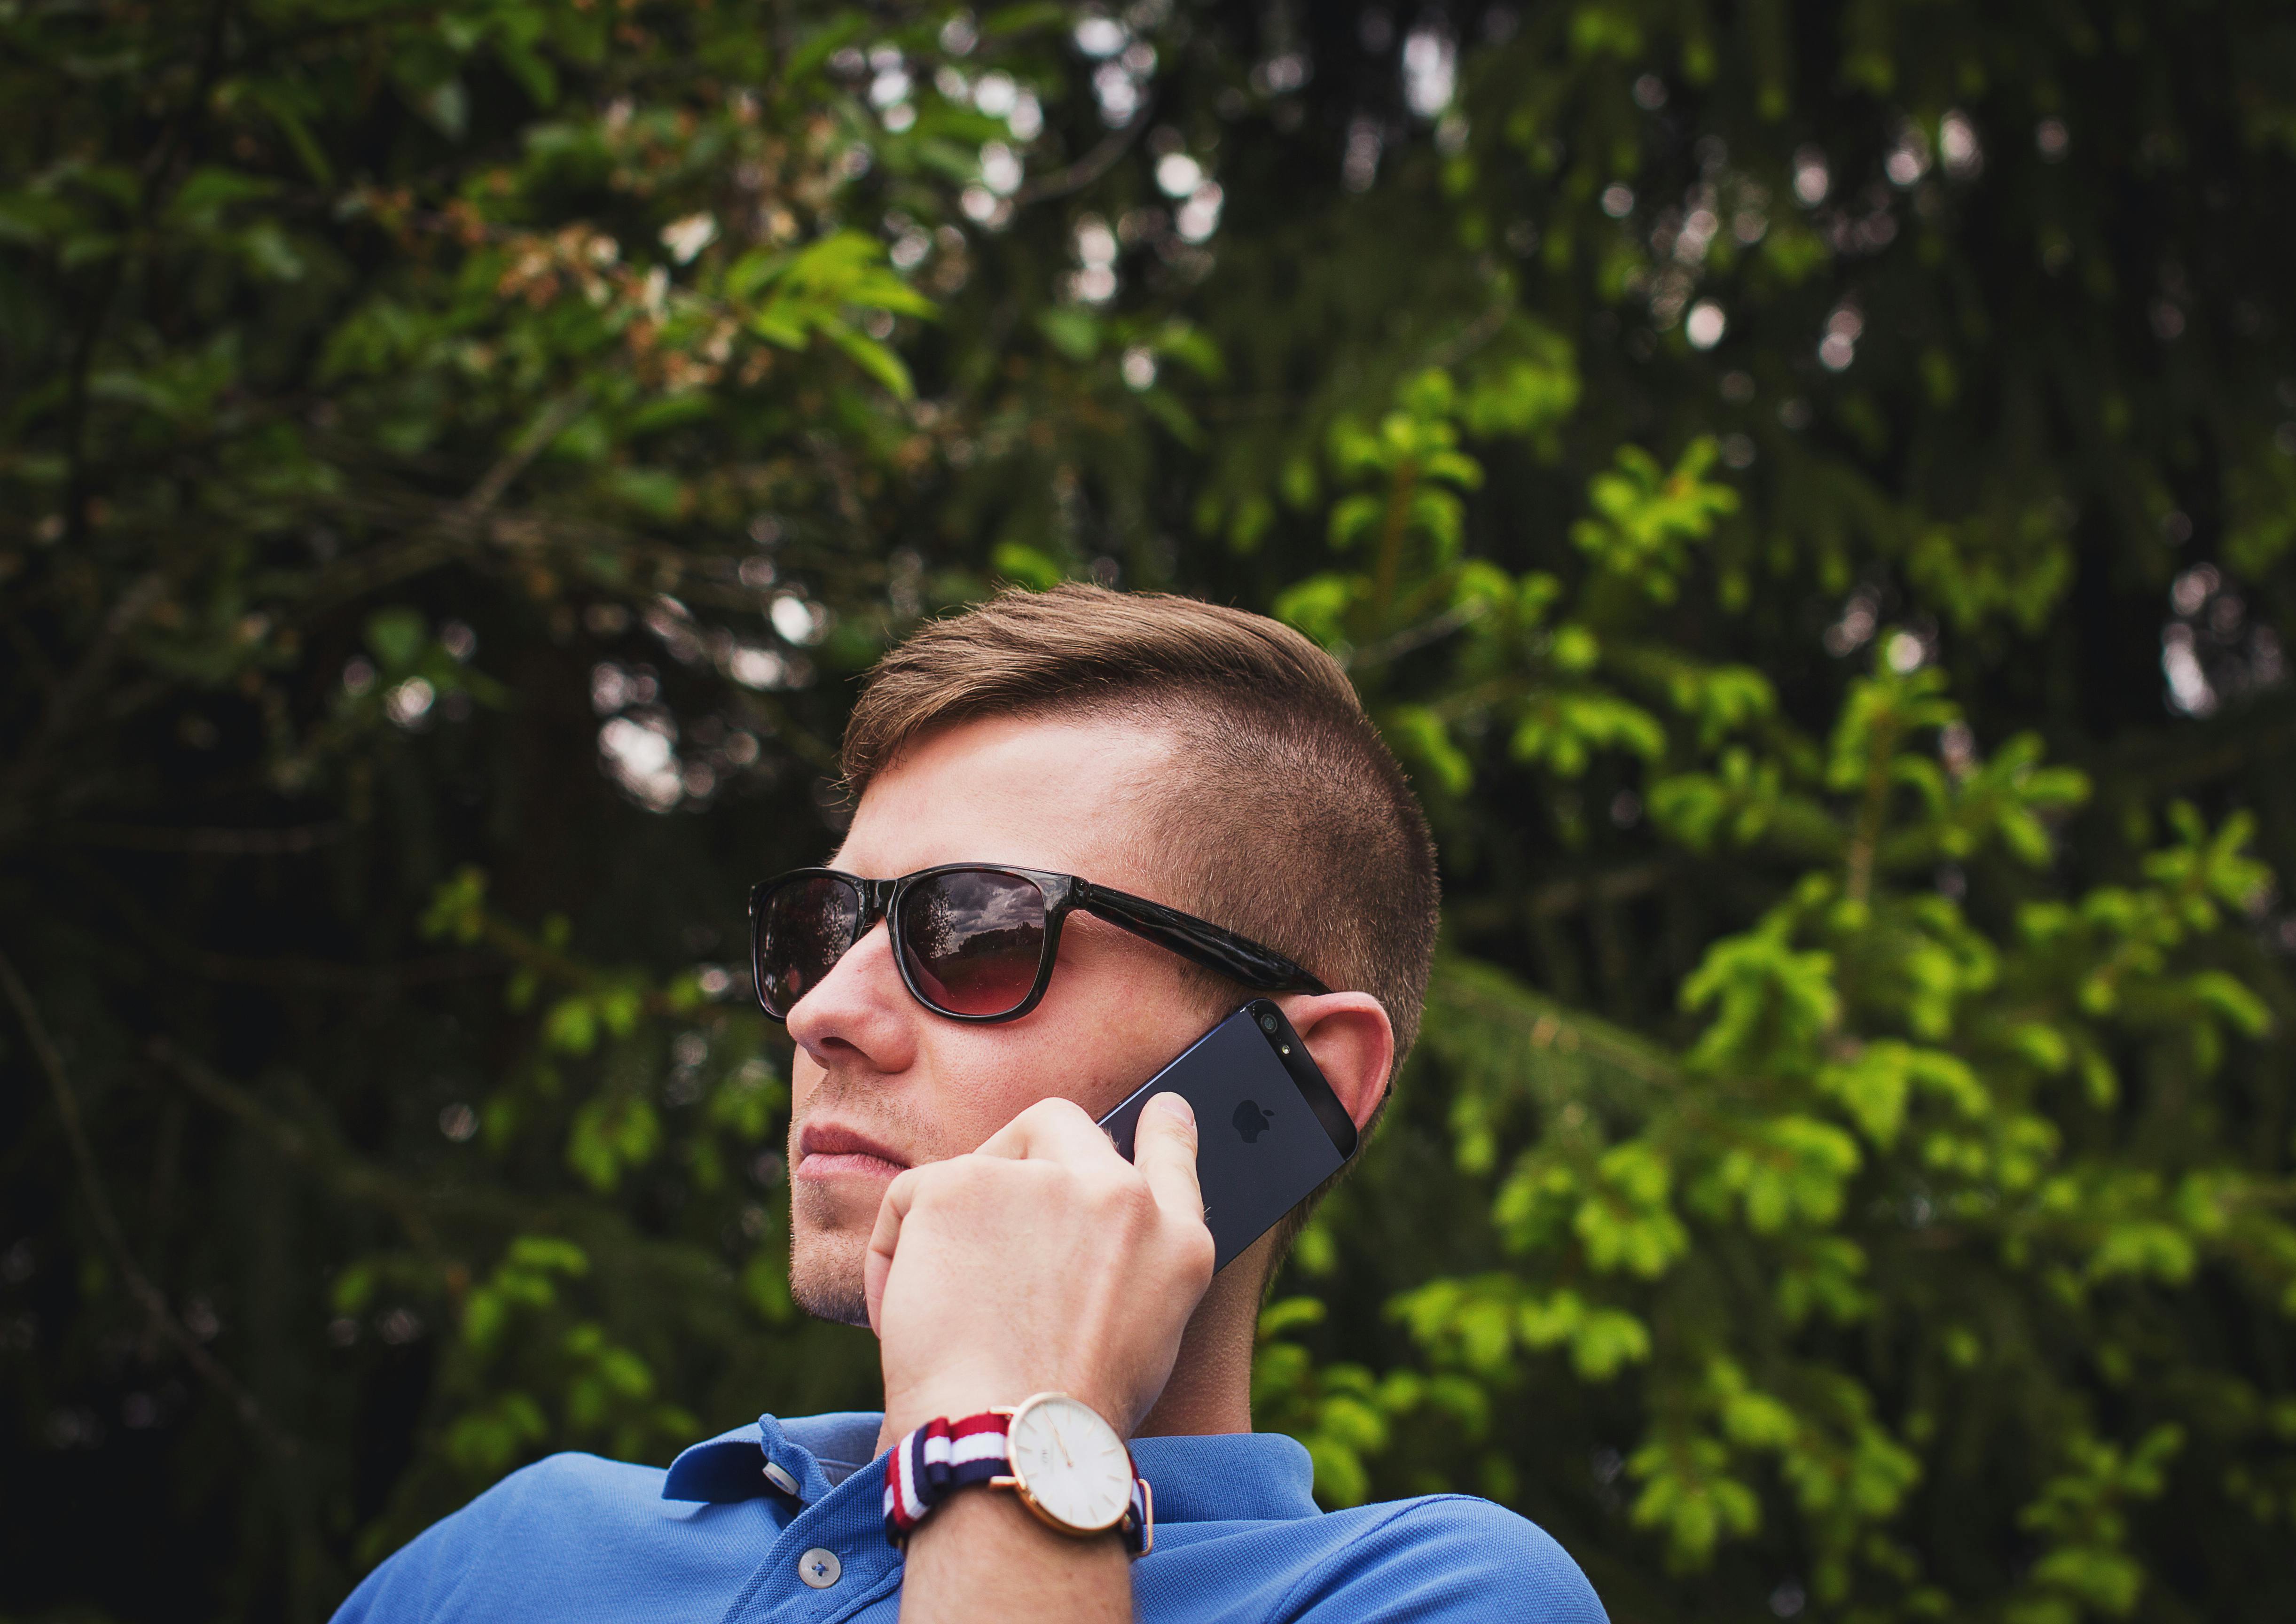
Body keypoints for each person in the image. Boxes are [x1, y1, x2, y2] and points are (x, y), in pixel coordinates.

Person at [333, 585, 1606, 1623]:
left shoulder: (1429, 1597)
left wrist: (998, 1432)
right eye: (818, 929)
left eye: (974, 931)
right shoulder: (517, 1556)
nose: (819, 1010)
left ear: (1299, 1076)